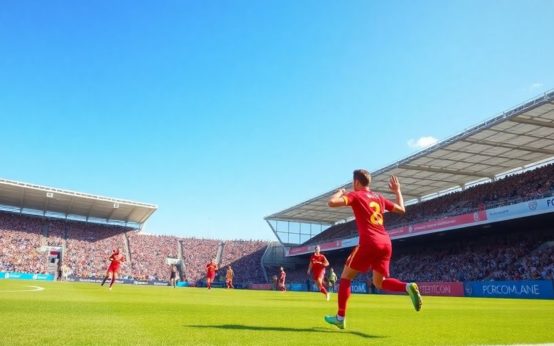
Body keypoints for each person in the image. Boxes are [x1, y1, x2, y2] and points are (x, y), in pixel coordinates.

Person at [324, 170, 422, 329]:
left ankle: (340, 317)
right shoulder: (379, 198)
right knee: (379, 282)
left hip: (369, 242)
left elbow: (331, 203)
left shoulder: (356, 195)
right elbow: (402, 210)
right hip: (385, 242)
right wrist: (397, 191)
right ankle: (407, 286)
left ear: (356, 182)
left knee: (346, 278)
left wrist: (339, 192)